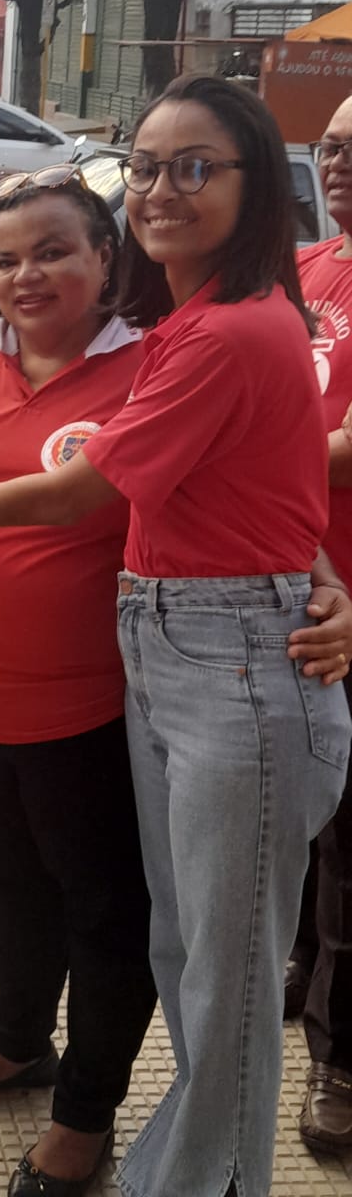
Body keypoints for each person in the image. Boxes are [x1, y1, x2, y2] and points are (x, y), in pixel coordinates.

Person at [0, 75, 352, 1197]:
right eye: (148, 167)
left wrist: (315, 586)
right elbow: (260, 482)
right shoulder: (144, 336)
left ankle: (131, 1141)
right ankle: (35, 1049)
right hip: (49, 676)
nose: (164, 188)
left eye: (195, 167)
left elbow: (94, 492)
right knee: (128, 926)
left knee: (187, 957)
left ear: (105, 260)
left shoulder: (188, 342)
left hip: (155, 681)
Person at [0, 169, 158, 1197]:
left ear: (105, 257)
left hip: (89, 705)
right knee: (10, 876)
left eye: (53, 252)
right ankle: (20, 1039)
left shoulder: (149, 370)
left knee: (102, 912)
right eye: (7, 259)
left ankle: (84, 1115)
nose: (26, 276)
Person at [292, 92, 352, 1152]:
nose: (339, 164)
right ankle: (305, 985)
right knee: (304, 821)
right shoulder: (306, 270)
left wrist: (240, 443)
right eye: (334, 146)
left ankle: (340, 1060)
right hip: (291, 586)